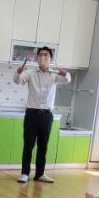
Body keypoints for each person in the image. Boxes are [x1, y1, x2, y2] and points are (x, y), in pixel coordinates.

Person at [13, 47, 71, 184]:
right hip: (32, 113)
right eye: (40, 55)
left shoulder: (54, 74)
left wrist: (65, 73)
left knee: (43, 145)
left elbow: (67, 80)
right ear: (37, 58)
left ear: (50, 58)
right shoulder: (30, 73)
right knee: (28, 145)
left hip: (46, 114)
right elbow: (18, 81)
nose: (42, 57)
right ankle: (25, 173)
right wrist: (18, 72)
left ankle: (40, 174)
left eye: (46, 55)